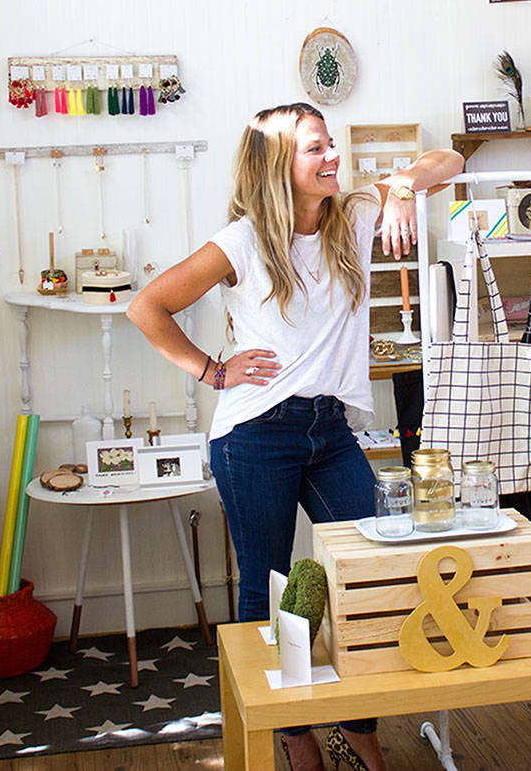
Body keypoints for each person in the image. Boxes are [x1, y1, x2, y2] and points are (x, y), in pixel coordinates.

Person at [128, 102, 462, 771]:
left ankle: (356, 729)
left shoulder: (355, 214)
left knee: (372, 567)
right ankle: (289, 737)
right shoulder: (244, 242)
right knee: (266, 586)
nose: (332, 156)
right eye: (315, 148)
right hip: (255, 434)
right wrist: (212, 369)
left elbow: (451, 161)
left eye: (331, 144)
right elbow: (147, 306)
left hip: (330, 429)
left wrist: (399, 185)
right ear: (279, 163)